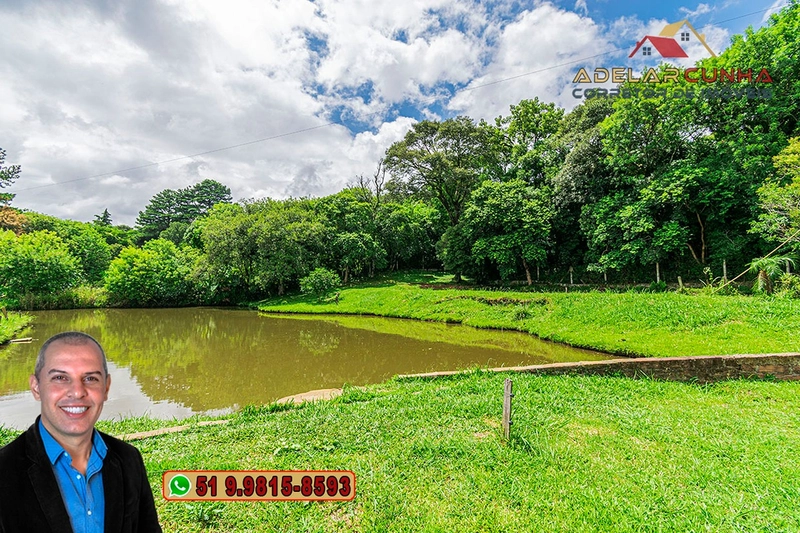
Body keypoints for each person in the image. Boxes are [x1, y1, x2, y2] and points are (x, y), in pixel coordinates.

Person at [0, 331, 162, 533]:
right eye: (60, 377)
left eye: (90, 378)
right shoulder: (4, 471)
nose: (77, 392)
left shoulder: (129, 459)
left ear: (106, 387)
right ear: (36, 387)